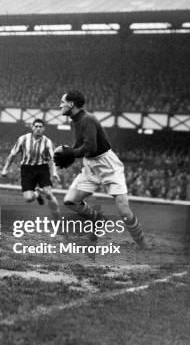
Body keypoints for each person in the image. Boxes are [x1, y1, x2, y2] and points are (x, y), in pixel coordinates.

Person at [55, 90, 146, 248]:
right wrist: (66, 152)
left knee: (124, 211)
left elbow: (91, 146)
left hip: (107, 165)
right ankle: (98, 220)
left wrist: (70, 152)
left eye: (62, 102)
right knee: (70, 201)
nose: (60, 105)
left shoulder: (88, 119)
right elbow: (79, 146)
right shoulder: (75, 121)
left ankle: (143, 244)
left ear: (71, 104)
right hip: (90, 165)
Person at [1, 119, 61, 218]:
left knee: (49, 194)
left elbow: (53, 159)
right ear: (32, 127)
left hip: (42, 168)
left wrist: (54, 172)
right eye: (36, 126)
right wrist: (5, 168)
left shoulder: (47, 142)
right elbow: (12, 155)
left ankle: (58, 219)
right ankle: (37, 194)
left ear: (44, 129)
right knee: (28, 198)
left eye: (40, 127)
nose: (38, 129)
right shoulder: (23, 139)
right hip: (27, 169)